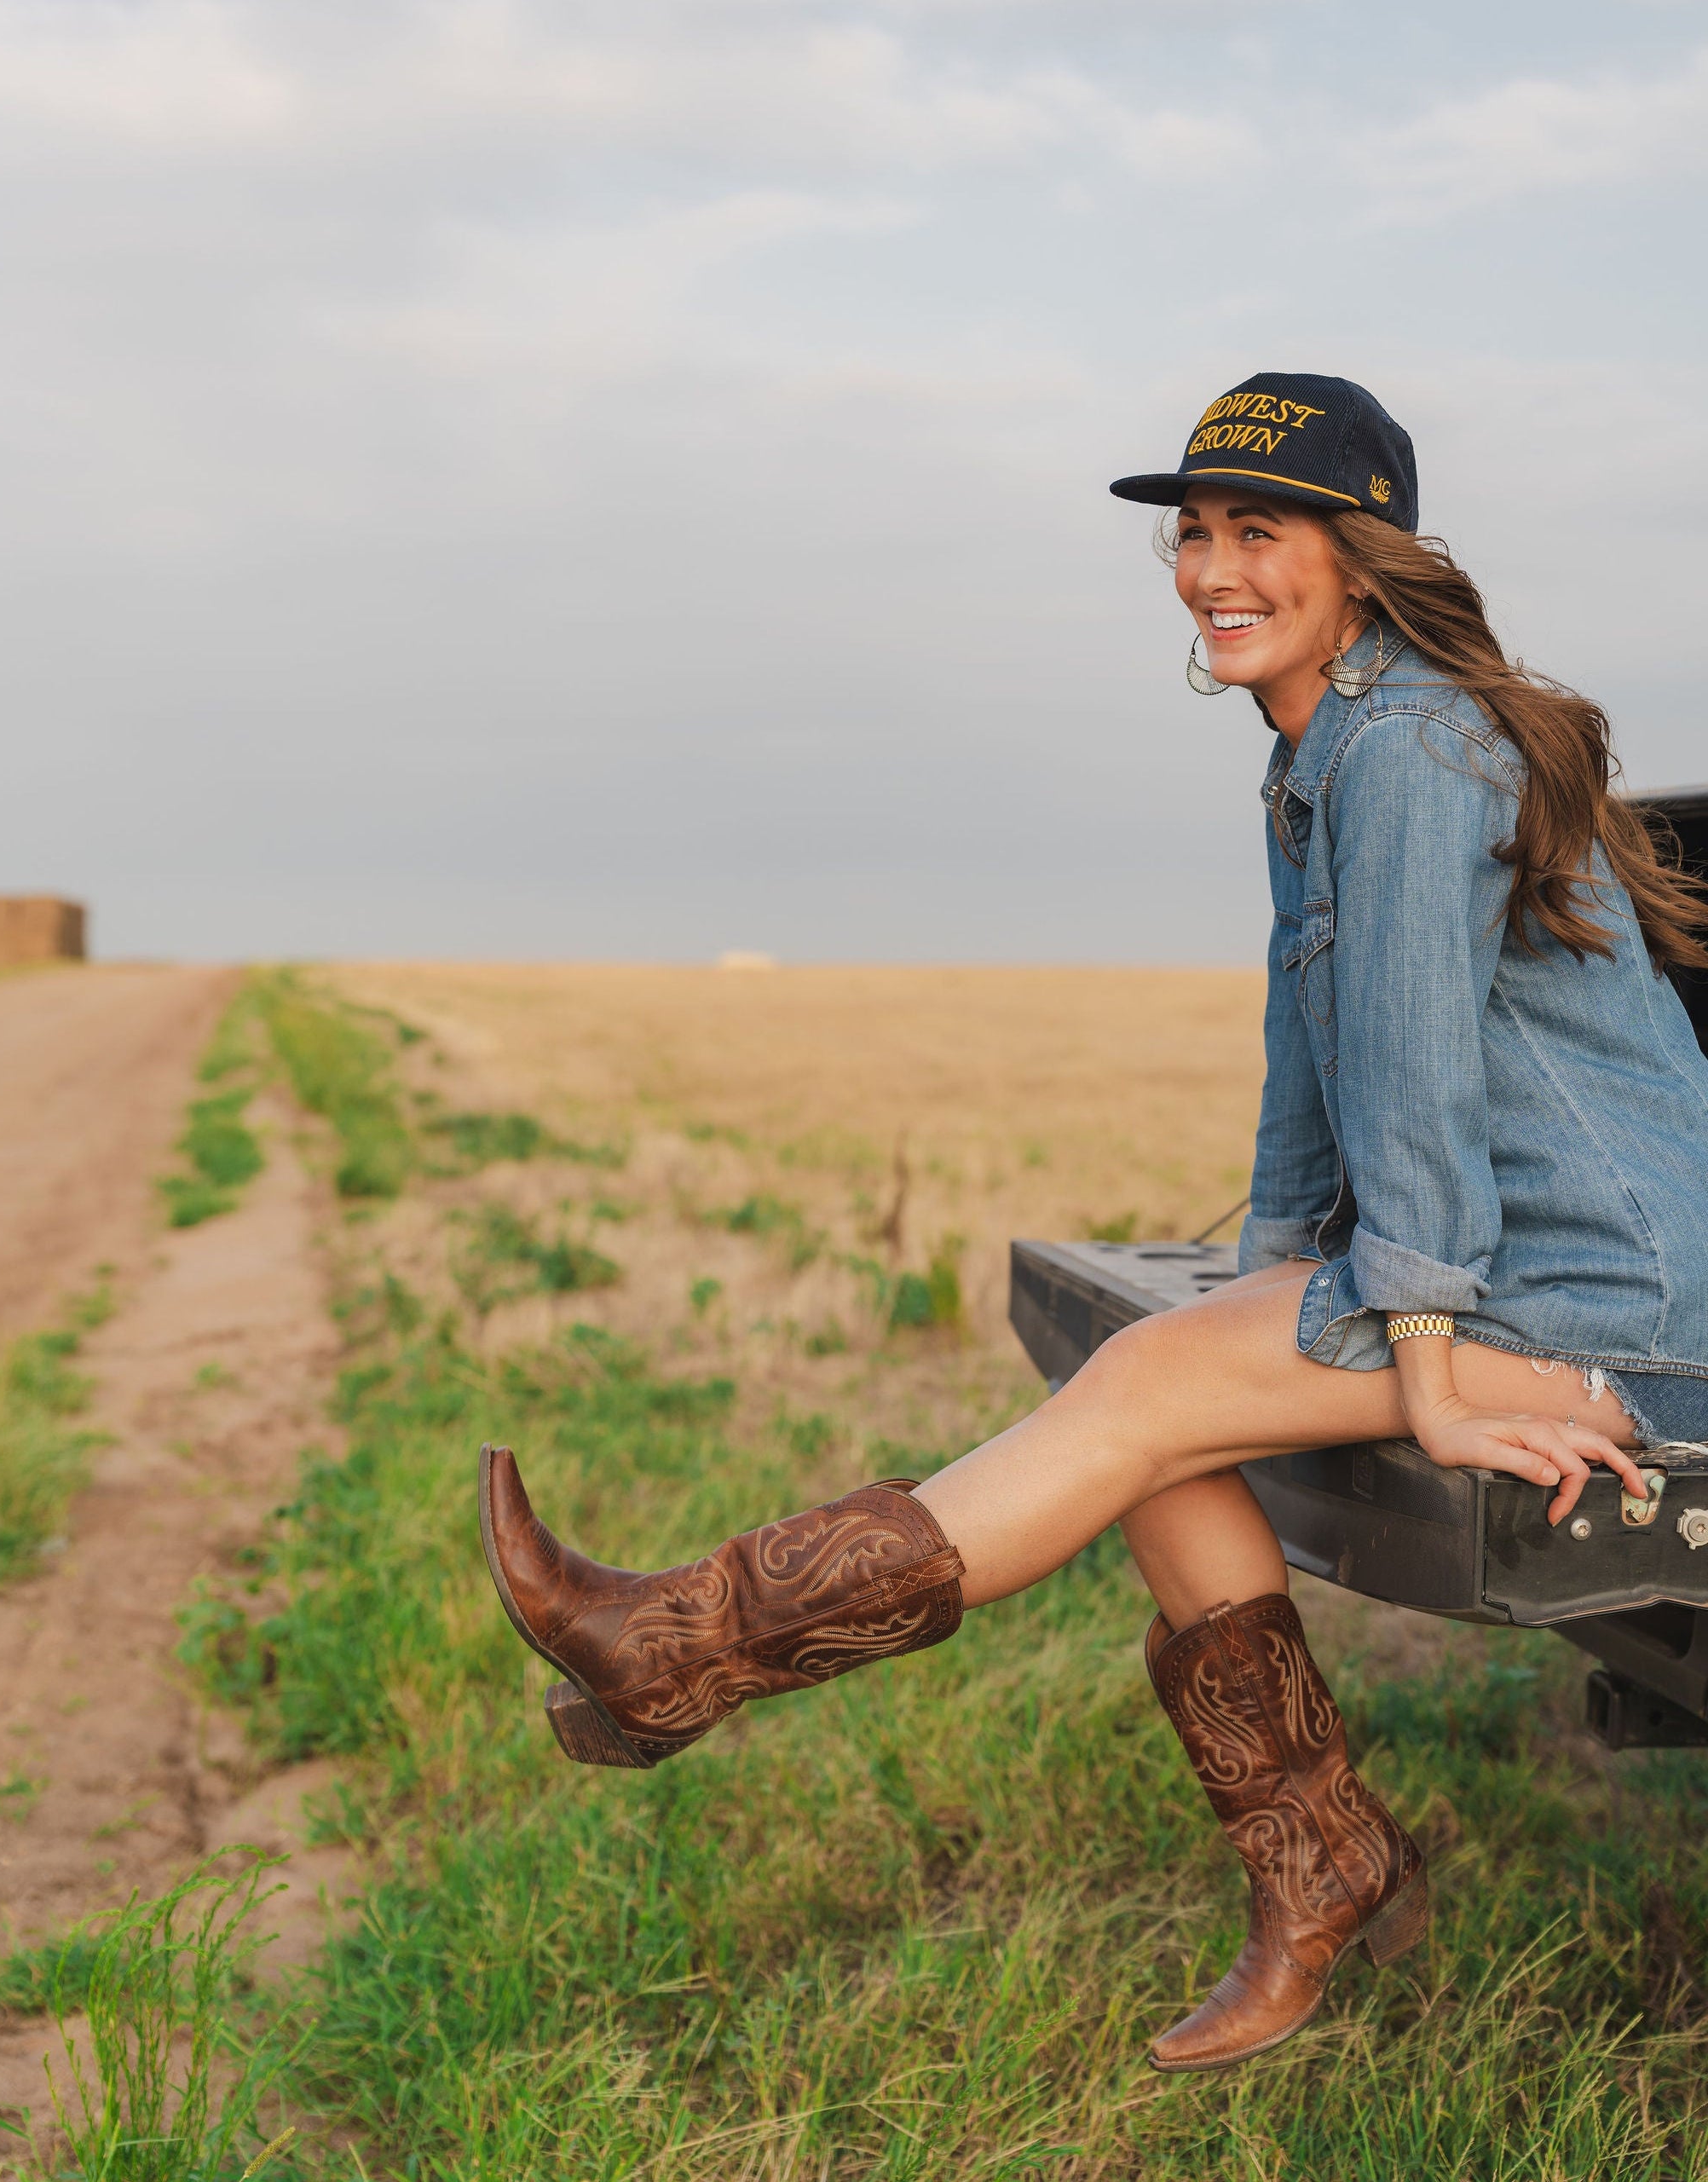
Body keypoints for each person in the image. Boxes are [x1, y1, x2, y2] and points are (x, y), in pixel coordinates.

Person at [478, 372, 1708, 2073]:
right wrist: (1277, 1261)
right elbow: (1314, 1044)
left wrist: (1423, 1370)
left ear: (1360, 557)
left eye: (1256, 529)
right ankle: (1322, 1854)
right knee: (1164, 1418)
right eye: (1191, 530)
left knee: (1136, 1397)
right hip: (1531, 1257)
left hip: (1607, 1293)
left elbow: (1419, 1065)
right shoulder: (1325, 745)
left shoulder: (1417, 749)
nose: (1211, 563)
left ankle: (676, 1644)